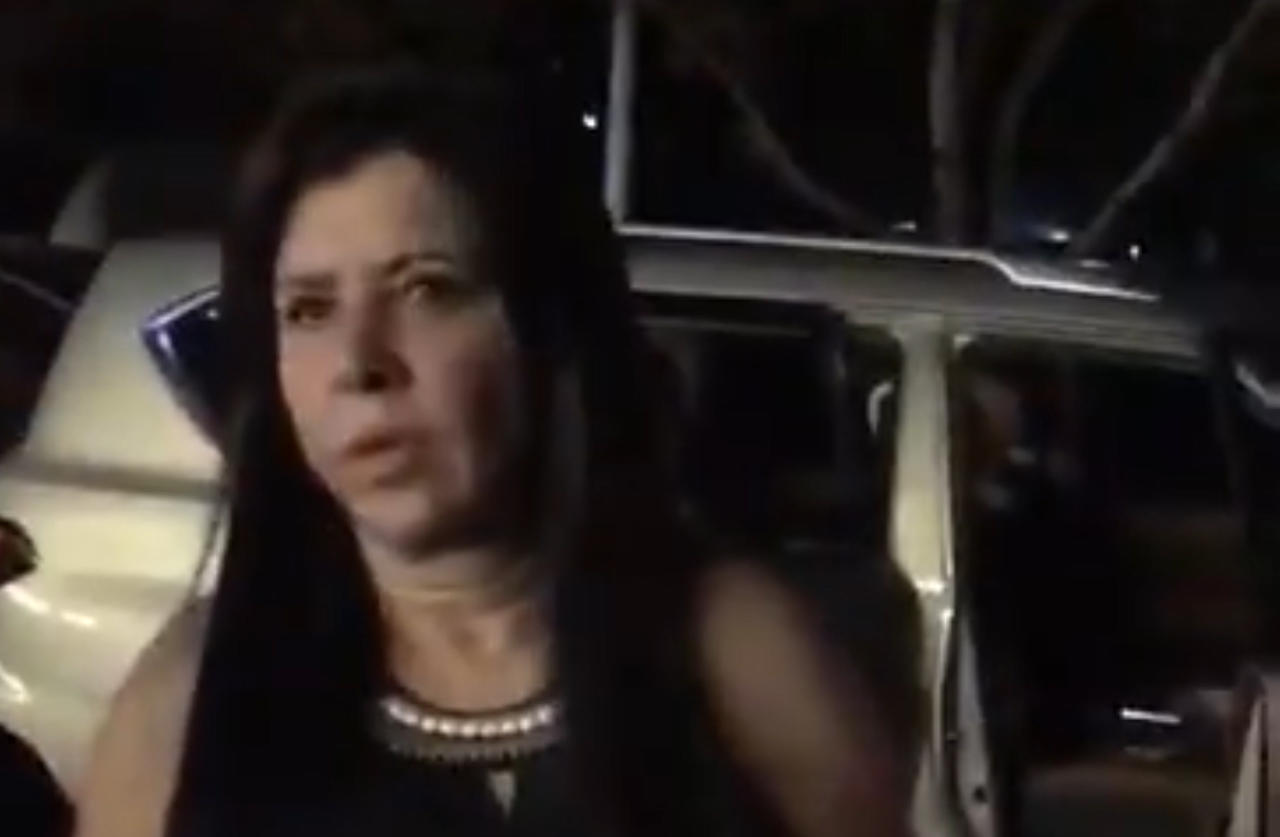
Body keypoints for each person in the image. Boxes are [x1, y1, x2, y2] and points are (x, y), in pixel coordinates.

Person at [75, 66, 916, 837]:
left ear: (549, 332)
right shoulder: (194, 699)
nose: (360, 364)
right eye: (308, 309)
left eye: (426, 289)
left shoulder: (732, 650)